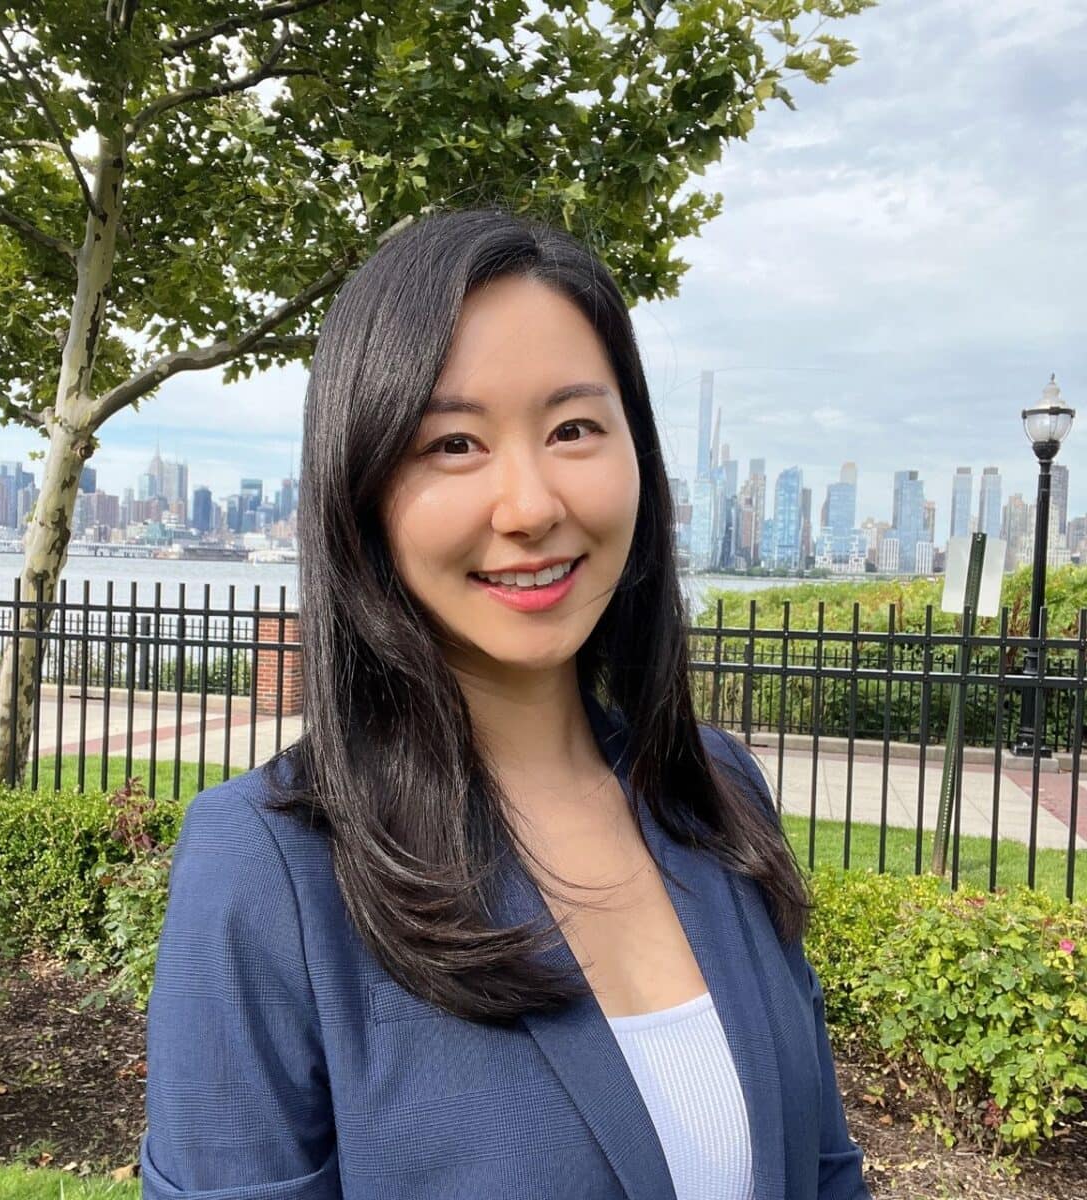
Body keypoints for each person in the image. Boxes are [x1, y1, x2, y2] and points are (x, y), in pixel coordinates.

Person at [140, 207, 872, 1200]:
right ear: (363, 491)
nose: (529, 506)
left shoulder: (712, 791)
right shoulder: (273, 869)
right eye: (453, 443)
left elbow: (824, 1173)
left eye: (574, 428)